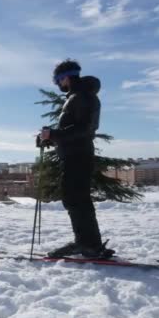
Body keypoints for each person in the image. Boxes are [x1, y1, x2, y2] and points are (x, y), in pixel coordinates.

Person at [38, 59, 114, 259]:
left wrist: (54, 135)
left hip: (77, 157)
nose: (57, 84)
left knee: (76, 200)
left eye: (57, 80)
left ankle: (87, 245)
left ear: (64, 78)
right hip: (76, 155)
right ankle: (89, 243)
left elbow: (85, 129)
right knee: (77, 200)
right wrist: (50, 138)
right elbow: (73, 131)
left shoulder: (81, 97)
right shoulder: (80, 96)